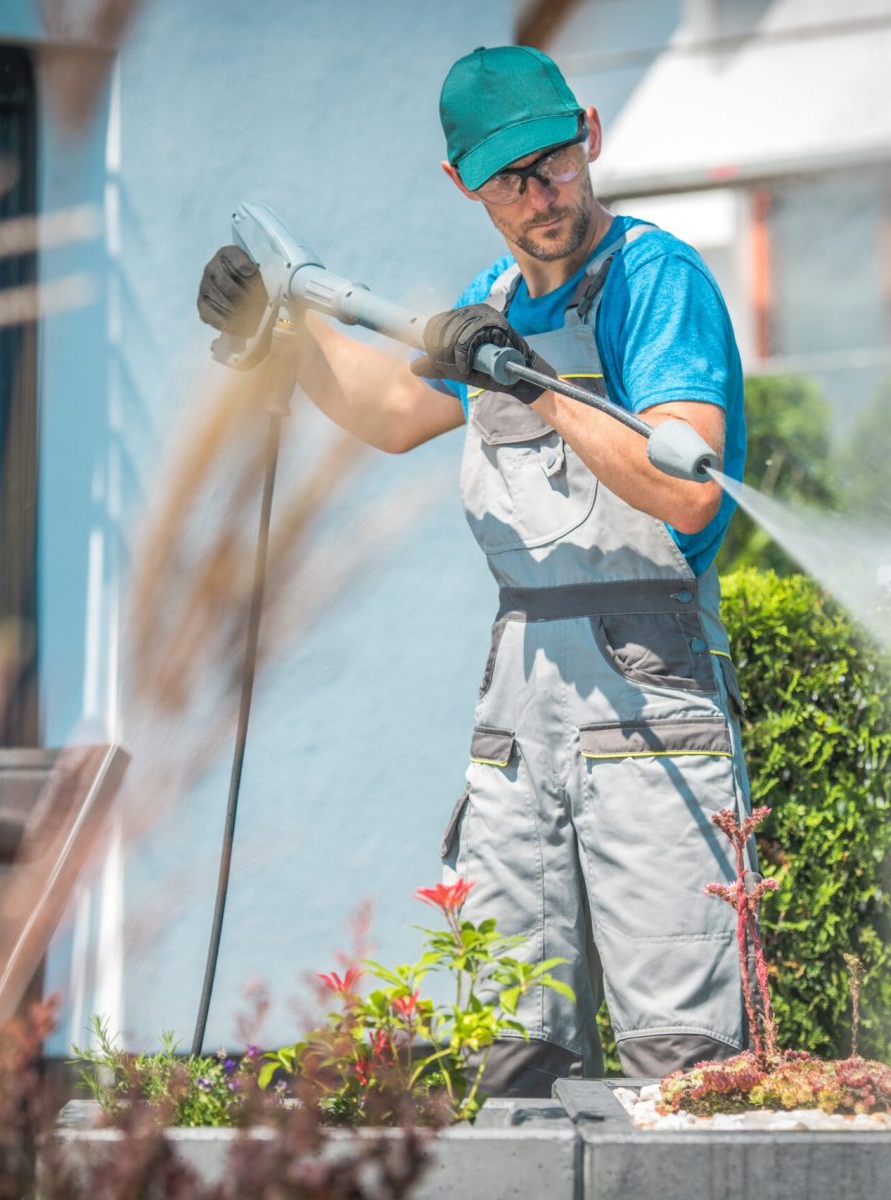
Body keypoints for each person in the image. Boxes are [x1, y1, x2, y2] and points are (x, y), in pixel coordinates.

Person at [197, 44, 756, 1093]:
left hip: (648, 687)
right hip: (519, 693)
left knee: (682, 1058)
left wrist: (535, 385)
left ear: (589, 132)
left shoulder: (651, 279)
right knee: (504, 1036)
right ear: (461, 184)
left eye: (553, 161)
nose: (540, 194)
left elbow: (688, 488)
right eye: (509, 177)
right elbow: (395, 410)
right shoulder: (494, 291)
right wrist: (282, 330)